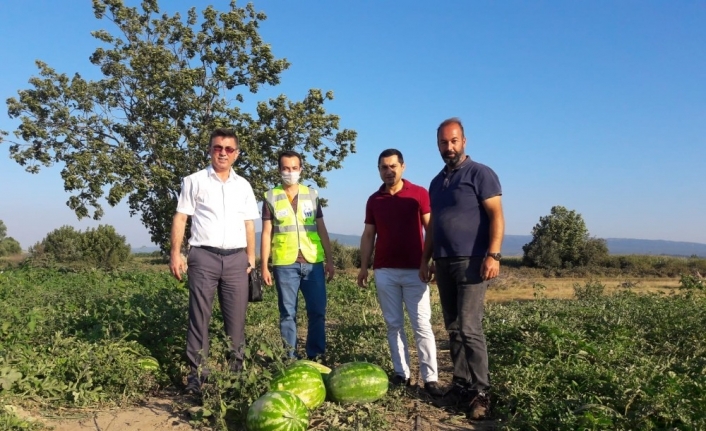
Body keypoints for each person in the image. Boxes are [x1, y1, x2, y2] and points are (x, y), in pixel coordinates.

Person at [420, 118, 504, 421]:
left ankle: (482, 392)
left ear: (464, 141)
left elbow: (496, 216)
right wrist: (425, 259)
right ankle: (461, 384)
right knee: (453, 327)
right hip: (442, 261)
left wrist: (493, 255)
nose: (449, 147)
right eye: (443, 142)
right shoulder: (436, 181)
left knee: (469, 327)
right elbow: (432, 228)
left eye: (453, 141)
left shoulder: (481, 174)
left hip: (471, 260)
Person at [169, 128, 260, 395]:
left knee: (236, 321)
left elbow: (249, 224)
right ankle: (197, 377)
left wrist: (251, 258)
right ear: (210, 150)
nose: (222, 152)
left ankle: (236, 379)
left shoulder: (243, 185)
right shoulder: (194, 181)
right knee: (199, 318)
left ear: (236, 155)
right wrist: (176, 253)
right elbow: (181, 217)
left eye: (229, 149)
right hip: (203, 257)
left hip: (236, 259)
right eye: (218, 147)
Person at [357, 149, 444, 397]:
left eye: (393, 166)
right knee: (393, 324)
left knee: (422, 324)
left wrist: (431, 261)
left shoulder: (419, 194)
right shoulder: (374, 200)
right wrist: (364, 266)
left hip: (416, 270)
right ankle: (401, 373)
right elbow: (368, 235)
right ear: (379, 170)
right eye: (384, 167)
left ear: (403, 167)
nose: (388, 171)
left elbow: (431, 229)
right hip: (384, 270)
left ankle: (430, 378)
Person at [260, 150, 335, 360]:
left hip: (313, 262)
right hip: (285, 264)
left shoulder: (312, 194)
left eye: (294, 168)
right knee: (287, 314)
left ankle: (316, 356)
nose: (290, 172)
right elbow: (267, 233)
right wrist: (264, 265)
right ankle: (289, 358)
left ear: (300, 169)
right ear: (279, 170)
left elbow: (322, 229)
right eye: (285, 168)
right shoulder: (270, 196)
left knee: (318, 312)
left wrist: (330, 260)